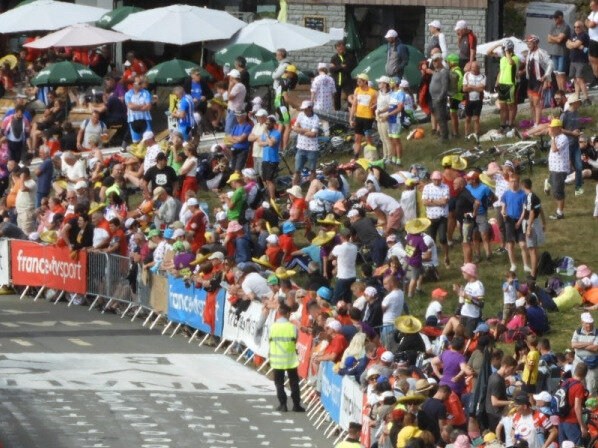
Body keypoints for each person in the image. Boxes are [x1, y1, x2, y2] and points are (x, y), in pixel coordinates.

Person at [268, 303, 304, 413]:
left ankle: (282, 404)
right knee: (293, 382)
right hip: (290, 359)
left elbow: (270, 340)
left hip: (277, 359)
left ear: (279, 313)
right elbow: (295, 340)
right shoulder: (293, 327)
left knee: (279, 383)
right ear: (288, 314)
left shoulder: (273, 326)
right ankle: (296, 405)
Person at [500, 173, 530, 273]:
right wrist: (503, 213)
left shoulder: (523, 195)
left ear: (518, 182)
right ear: (509, 182)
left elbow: (524, 210)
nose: (514, 183)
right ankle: (513, 264)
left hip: (519, 220)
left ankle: (526, 265)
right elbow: (503, 208)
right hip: (509, 220)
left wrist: (520, 222)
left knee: (523, 244)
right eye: (512, 181)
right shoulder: (506, 194)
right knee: (510, 244)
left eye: (515, 181)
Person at [422, 170, 451, 267]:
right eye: (435, 180)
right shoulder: (427, 187)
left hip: (442, 216)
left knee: (443, 238)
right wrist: (438, 201)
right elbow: (424, 202)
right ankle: (433, 261)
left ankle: (446, 256)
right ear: (432, 179)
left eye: (438, 180)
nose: (437, 182)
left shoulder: (445, 187)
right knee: (431, 240)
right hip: (431, 217)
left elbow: (445, 201)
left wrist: (431, 200)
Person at [524, 35, 553, 127]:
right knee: (531, 103)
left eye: (530, 43)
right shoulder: (529, 53)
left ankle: (537, 123)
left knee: (536, 102)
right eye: (527, 43)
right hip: (530, 81)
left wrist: (546, 75)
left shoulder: (541, 52)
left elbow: (550, 63)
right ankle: (534, 122)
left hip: (538, 80)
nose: (528, 44)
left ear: (535, 43)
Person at [557, 362, 589, 445]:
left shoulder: (565, 382)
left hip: (561, 419)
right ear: (585, 374)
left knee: (563, 445)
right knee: (576, 445)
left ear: (575, 371)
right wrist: (582, 426)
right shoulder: (579, 386)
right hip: (571, 422)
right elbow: (577, 407)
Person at [466, 171, 495, 261]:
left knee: (484, 235)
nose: (467, 180)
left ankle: (488, 255)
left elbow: (494, 197)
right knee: (474, 236)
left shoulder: (484, 188)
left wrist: (489, 204)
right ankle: (478, 255)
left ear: (474, 180)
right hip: (471, 215)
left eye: (468, 179)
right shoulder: (467, 188)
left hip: (481, 214)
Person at [485, 355, 517, 431]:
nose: (512, 372)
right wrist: (511, 402)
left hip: (494, 412)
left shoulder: (497, 376)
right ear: (506, 366)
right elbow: (495, 402)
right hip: (495, 414)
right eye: (512, 369)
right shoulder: (497, 380)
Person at [560, 93, 584, 196]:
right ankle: (551, 182)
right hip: (566, 145)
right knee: (563, 168)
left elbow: (577, 127)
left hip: (575, 144)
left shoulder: (577, 113)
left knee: (579, 166)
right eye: (578, 101)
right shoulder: (564, 115)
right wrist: (572, 133)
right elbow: (559, 129)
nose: (580, 103)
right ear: (573, 103)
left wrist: (578, 132)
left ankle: (578, 188)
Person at [521, 178, 545, 278]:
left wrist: (529, 228)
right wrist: (544, 222)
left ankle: (533, 274)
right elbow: (541, 209)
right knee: (533, 248)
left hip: (531, 223)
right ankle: (535, 269)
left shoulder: (530, 197)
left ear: (523, 186)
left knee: (532, 249)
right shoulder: (535, 196)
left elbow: (531, 212)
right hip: (536, 223)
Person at [349, 73, 377, 159]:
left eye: (360, 81)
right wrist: (351, 118)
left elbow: (378, 103)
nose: (358, 82)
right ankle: (355, 157)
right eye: (357, 81)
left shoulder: (373, 92)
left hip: (368, 117)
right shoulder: (357, 90)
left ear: (365, 82)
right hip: (358, 116)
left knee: (368, 137)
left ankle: (371, 156)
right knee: (357, 138)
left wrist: (375, 106)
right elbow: (354, 105)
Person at [453, 176, 480, 264]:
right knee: (464, 242)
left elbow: (477, 202)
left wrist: (474, 213)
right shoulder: (460, 193)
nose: (453, 185)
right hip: (462, 221)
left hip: (467, 222)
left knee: (466, 242)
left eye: (455, 183)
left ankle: (468, 262)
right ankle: (467, 261)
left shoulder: (465, 193)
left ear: (461, 185)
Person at [546, 118, 569, 220]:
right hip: (554, 168)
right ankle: (547, 184)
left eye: (553, 128)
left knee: (557, 191)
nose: (551, 129)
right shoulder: (556, 137)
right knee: (551, 183)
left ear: (559, 128)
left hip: (560, 169)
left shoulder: (563, 138)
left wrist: (552, 138)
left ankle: (560, 213)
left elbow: (555, 149)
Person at [292, 100, 320, 185]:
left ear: (310, 108)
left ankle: (313, 187)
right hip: (301, 147)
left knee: (312, 170)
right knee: (297, 170)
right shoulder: (300, 115)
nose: (304, 111)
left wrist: (300, 130)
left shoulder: (315, 118)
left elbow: (313, 134)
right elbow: (294, 128)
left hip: (312, 148)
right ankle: (294, 188)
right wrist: (305, 130)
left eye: (306, 109)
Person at [571, 312, 598, 395]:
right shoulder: (577, 332)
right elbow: (573, 345)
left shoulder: (597, 332)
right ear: (582, 323)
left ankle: (591, 406)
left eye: (591, 323)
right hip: (578, 363)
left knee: (591, 387)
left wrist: (580, 345)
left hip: (592, 365)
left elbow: (595, 348)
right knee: (578, 385)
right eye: (587, 323)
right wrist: (588, 344)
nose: (589, 325)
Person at [330, 228, 358, 303]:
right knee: (348, 299)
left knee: (335, 299)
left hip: (343, 276)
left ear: (341, 237)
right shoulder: (355, 247)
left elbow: (330, 256)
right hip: (352, 275)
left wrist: (335, 259)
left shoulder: (339, 248)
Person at [566, 21, 591, 104]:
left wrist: (574, 45)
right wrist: (575, 45)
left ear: (582, 27)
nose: (576, 28)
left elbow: (573, 45)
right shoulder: (573, 34)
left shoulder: (584, 35)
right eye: (575, 27)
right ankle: (577, 97)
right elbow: (567, 44)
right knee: (575, 80)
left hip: (581, 60)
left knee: (580, 79)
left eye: (578, 27)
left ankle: (587, 99)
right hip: (573, 59)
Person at [547, 10, 571, 92]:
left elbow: (559, 40)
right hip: (554, 52)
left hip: (563, 53)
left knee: (561, 73)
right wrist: (556, 38)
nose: (555, 20)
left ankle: (563, 90)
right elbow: (548, 40)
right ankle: (560, 91)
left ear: (561, 17)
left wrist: (553, 37)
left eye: (556, 18)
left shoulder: (565, 26)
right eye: (554, 18)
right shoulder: (553, 26)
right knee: (556, 73)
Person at [329, 41, 357, 111]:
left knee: (350, 95)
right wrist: (341, 66)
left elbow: (348, 68)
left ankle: (349, 110)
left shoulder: (350, 56)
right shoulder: (334, 58)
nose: (340, 50)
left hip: (347, 80)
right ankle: (337, 110)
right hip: (337, 80)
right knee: (336, 97)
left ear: (344, 48)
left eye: (342, 48)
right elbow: (331, 70)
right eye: (339, 48)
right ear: (336, 49)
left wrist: (337, 67)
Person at [259, 115, 281, 201]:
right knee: (264, 180)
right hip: (265, 159)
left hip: (273, 159)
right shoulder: (265, 133)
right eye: (266, 123)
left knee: (269, 180)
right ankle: (270, 195)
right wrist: (268, 142)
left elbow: (272, 144)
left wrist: (266, 136)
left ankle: (272, 199)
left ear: (273, 124)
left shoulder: (277, 133)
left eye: (268, 124)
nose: (267, 125)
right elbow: (260, 143)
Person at [124, 76, 152, 144]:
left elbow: (148, 107)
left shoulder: (146, 93)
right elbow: (131, 107)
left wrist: (135, 107)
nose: (141, 85)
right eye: (139, 83)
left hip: (145, 119)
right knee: (136, 142)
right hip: (133, 120)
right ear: (133, 84)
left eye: (141, 83)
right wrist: (142, 105)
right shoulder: (128, 94)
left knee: (149, 140)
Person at [429, 53, 450, 142]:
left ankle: (444, 137)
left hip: (439, 99)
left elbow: (445, 87)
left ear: (440, 60)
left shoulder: (443, 72)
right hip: (434, 98)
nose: (434, 63)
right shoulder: (436, 71)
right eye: (433, 61)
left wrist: (440, 97)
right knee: (438, 117)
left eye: (436, 60)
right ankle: (442, 135)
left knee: (441, 118)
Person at [463, 61, 485, 138]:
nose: (472, 69)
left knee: (476, 118)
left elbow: (481, 89)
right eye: (471, 68)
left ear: (478, 68)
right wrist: (476, 87)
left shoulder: (483, 76)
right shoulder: (467, 75)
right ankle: (467, 134)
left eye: (474, 68)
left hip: (478, 100)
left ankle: (477, 134)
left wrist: (470, 87)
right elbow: (464, 89)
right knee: (468, 118)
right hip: (469, 100)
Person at [446, 54, 464, 138]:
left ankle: (455, 133)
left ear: (452, 62)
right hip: (456, 95)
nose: (447, 63)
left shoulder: (455, 71)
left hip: (455, 96)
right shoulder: (457, 70)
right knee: (453, 114)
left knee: (453, 115)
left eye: (448, 62)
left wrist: (451, 94)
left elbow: (458, 85)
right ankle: (455, 132)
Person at [248, 109, 268, 177]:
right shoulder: (256, 125)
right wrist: (258, 137)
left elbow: (264, 137)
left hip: (262, 154)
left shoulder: (267, 126)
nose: (259, 118)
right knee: (256, 174)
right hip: (255, 153)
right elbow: (249, 138)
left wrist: (255, 137)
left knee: (262, 174)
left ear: (265, 117)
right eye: (258, 117)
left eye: (260, 116)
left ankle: (266, 187)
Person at [586, 0, 598, 87]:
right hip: (592, 39)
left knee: (594, 60)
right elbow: (586, 21)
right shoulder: (593, 13)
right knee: (591, 59)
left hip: (596, 40)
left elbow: (591, 25)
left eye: (592, 5)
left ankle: (596, 79)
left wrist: (588, 23)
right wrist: (588, 22)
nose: (590, 6)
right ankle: (595, 77)